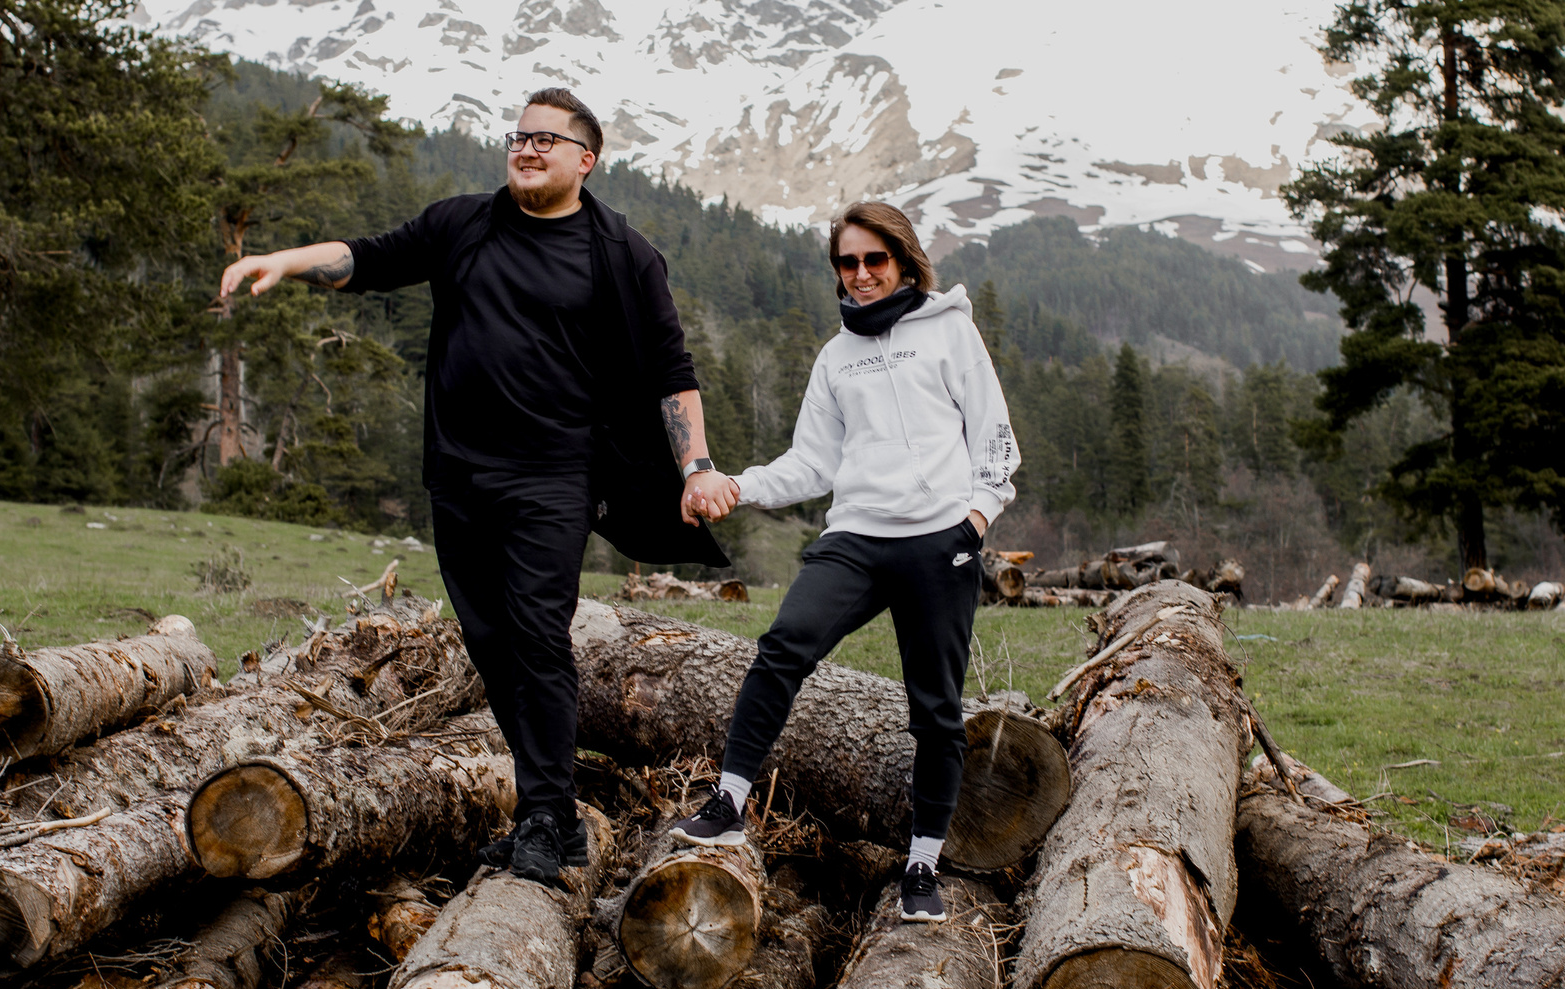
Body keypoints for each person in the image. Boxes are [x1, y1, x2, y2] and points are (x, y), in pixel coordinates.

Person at [219, 87, 728, 887]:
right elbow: (368, 258)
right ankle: (547, 814)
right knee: (491, 644)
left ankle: (547, 815)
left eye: (546, 141)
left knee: (536, 633)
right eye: (519, 137)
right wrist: (282, 261)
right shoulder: (463, 223)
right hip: (458, 477)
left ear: (585, 160)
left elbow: (672, 372)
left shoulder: (620, 253)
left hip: (555, 477)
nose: (526, 149)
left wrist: (695, 466)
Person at [675, 201, 1019, 922]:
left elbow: (995, 441)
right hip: (856, 538)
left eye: (874, 259)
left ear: (903, 260)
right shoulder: (837, 356)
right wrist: (740, 486)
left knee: (935, 711)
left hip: (939, 543)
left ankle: (921, 865)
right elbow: (813, 462)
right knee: (781, 646)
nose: (861, 274)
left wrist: (973, 524)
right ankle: (730, 799)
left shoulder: (950, 330)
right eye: (847, 262)